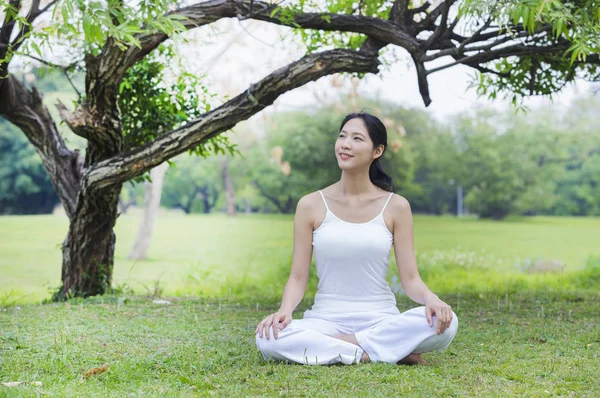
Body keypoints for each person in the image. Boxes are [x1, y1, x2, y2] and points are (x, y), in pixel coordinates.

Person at [255, 112, 458, 365]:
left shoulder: (396, 206)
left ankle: (345, 346)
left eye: (357, 138)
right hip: (326, 319)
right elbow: (297, 277)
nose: (345, 144)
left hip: (381, 318)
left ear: (377, 150)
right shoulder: (310, 205)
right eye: (342, 136)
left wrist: (432, 299)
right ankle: (376, 352)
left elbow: (411, 279)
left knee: (447, 322)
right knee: (267, 339)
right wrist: (284, 312)